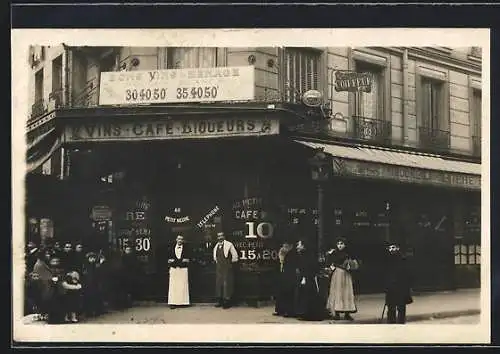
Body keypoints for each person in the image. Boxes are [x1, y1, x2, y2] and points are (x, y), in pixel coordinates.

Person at [325, 238, 359, 321]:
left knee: (346, 292)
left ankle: (347, 313)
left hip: (346, 274)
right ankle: (336, 312)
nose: (340, 245)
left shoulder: (348, 253)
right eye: (338, 244)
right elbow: (328, 263)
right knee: (337, 292)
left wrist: (351, 265)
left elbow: (354, 264)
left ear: (345, 244)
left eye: (341, 244)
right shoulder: (333, 253)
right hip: (337, 274)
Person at [295, 239, 323, 321]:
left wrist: (304, 277)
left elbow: (307, 267)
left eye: (299, 245)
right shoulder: (304, 255)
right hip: (308, 278)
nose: (297, 246)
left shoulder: (306, 256)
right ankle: (306, 313)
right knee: (306, 295)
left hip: (307, 278)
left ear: (304, 246)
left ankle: (307, 314)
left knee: (307, 296)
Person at [384, 242, 413, 324]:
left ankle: (401, 322)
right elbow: (384, 273)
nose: (391, 250)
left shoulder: (403, 259)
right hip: (391, 287)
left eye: (393, 248)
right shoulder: (387, 260)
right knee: (391, 307)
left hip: (401, 287)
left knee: (401, 307)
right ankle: (391, 322)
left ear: (398, 248)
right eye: (390, 248)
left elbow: (408, 273)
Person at [212, 232, 239, 309]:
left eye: (221, 236)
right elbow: (215, 257)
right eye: (218, 236)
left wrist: (231, 264)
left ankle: (227, 302)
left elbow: (235, 255)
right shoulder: (216, 246)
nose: (220, 237)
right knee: (219, 283)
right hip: (219, 267)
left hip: (227, 267)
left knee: (227, 284)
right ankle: (219, 301)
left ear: (224, 236)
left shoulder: (229, 244)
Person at [273, 240, 298, 317]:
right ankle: (280, 310)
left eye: (286, 246)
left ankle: (288, 311)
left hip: (289, 276)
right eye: (283, 246)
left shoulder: (293, 254)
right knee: (281, 293)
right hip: (282, 274)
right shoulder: (282, 253)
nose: (284, 248)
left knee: (287, 293)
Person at [167, 235, 191, 308]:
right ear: (176, 239)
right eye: (179, 239)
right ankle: (173, 302)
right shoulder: (171, 248)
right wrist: (179, 261)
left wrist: (176, 261)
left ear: (183, 240)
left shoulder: (187, 249)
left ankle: (183, 302)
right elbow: (169, 260)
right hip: (174, 269)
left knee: (183, 285)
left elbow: (188, 259)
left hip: (183, 269)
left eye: (181, 239)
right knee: (173, 286)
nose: (180, 240)